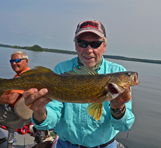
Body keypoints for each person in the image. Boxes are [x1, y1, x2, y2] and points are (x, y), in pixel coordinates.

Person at [23, 20, 135, 148]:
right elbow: (50, 119)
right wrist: (39, 112)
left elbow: (125, 125)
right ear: (75, 45)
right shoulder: (61, 70)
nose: (88, 50)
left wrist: (118, 107)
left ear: (104, 46)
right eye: (82, 43)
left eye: (95, 44)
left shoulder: (116, 72)